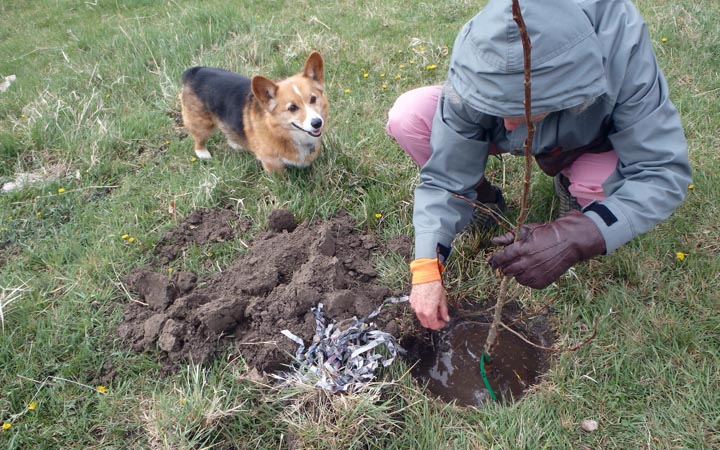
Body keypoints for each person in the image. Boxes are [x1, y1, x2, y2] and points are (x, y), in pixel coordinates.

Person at [386, 0, 692, 330]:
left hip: (590, 137)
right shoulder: (483, 52)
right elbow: (445, 174)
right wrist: (427, 267)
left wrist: (577, 235)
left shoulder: (620, 41)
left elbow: (661, 170)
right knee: (410, 115)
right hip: (527, 107)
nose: (506, 123)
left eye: (519, 111)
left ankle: (575, 190)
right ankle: (481, 202)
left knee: (598, 187)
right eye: (496, 106)